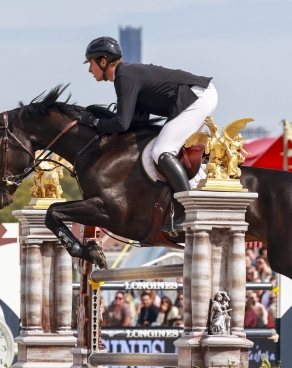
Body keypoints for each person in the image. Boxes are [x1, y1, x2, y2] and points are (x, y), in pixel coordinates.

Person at [80, 36, 216, 231]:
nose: (89, 69)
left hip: (198, 96)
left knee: (161, 150)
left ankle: (188, 211)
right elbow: (137, 121)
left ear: (103, 61)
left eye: (91, 63)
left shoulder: (124, 77)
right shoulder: (126, 76)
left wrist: (93, 121)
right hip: (198, 95)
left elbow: (121, 122)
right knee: (170, 149)